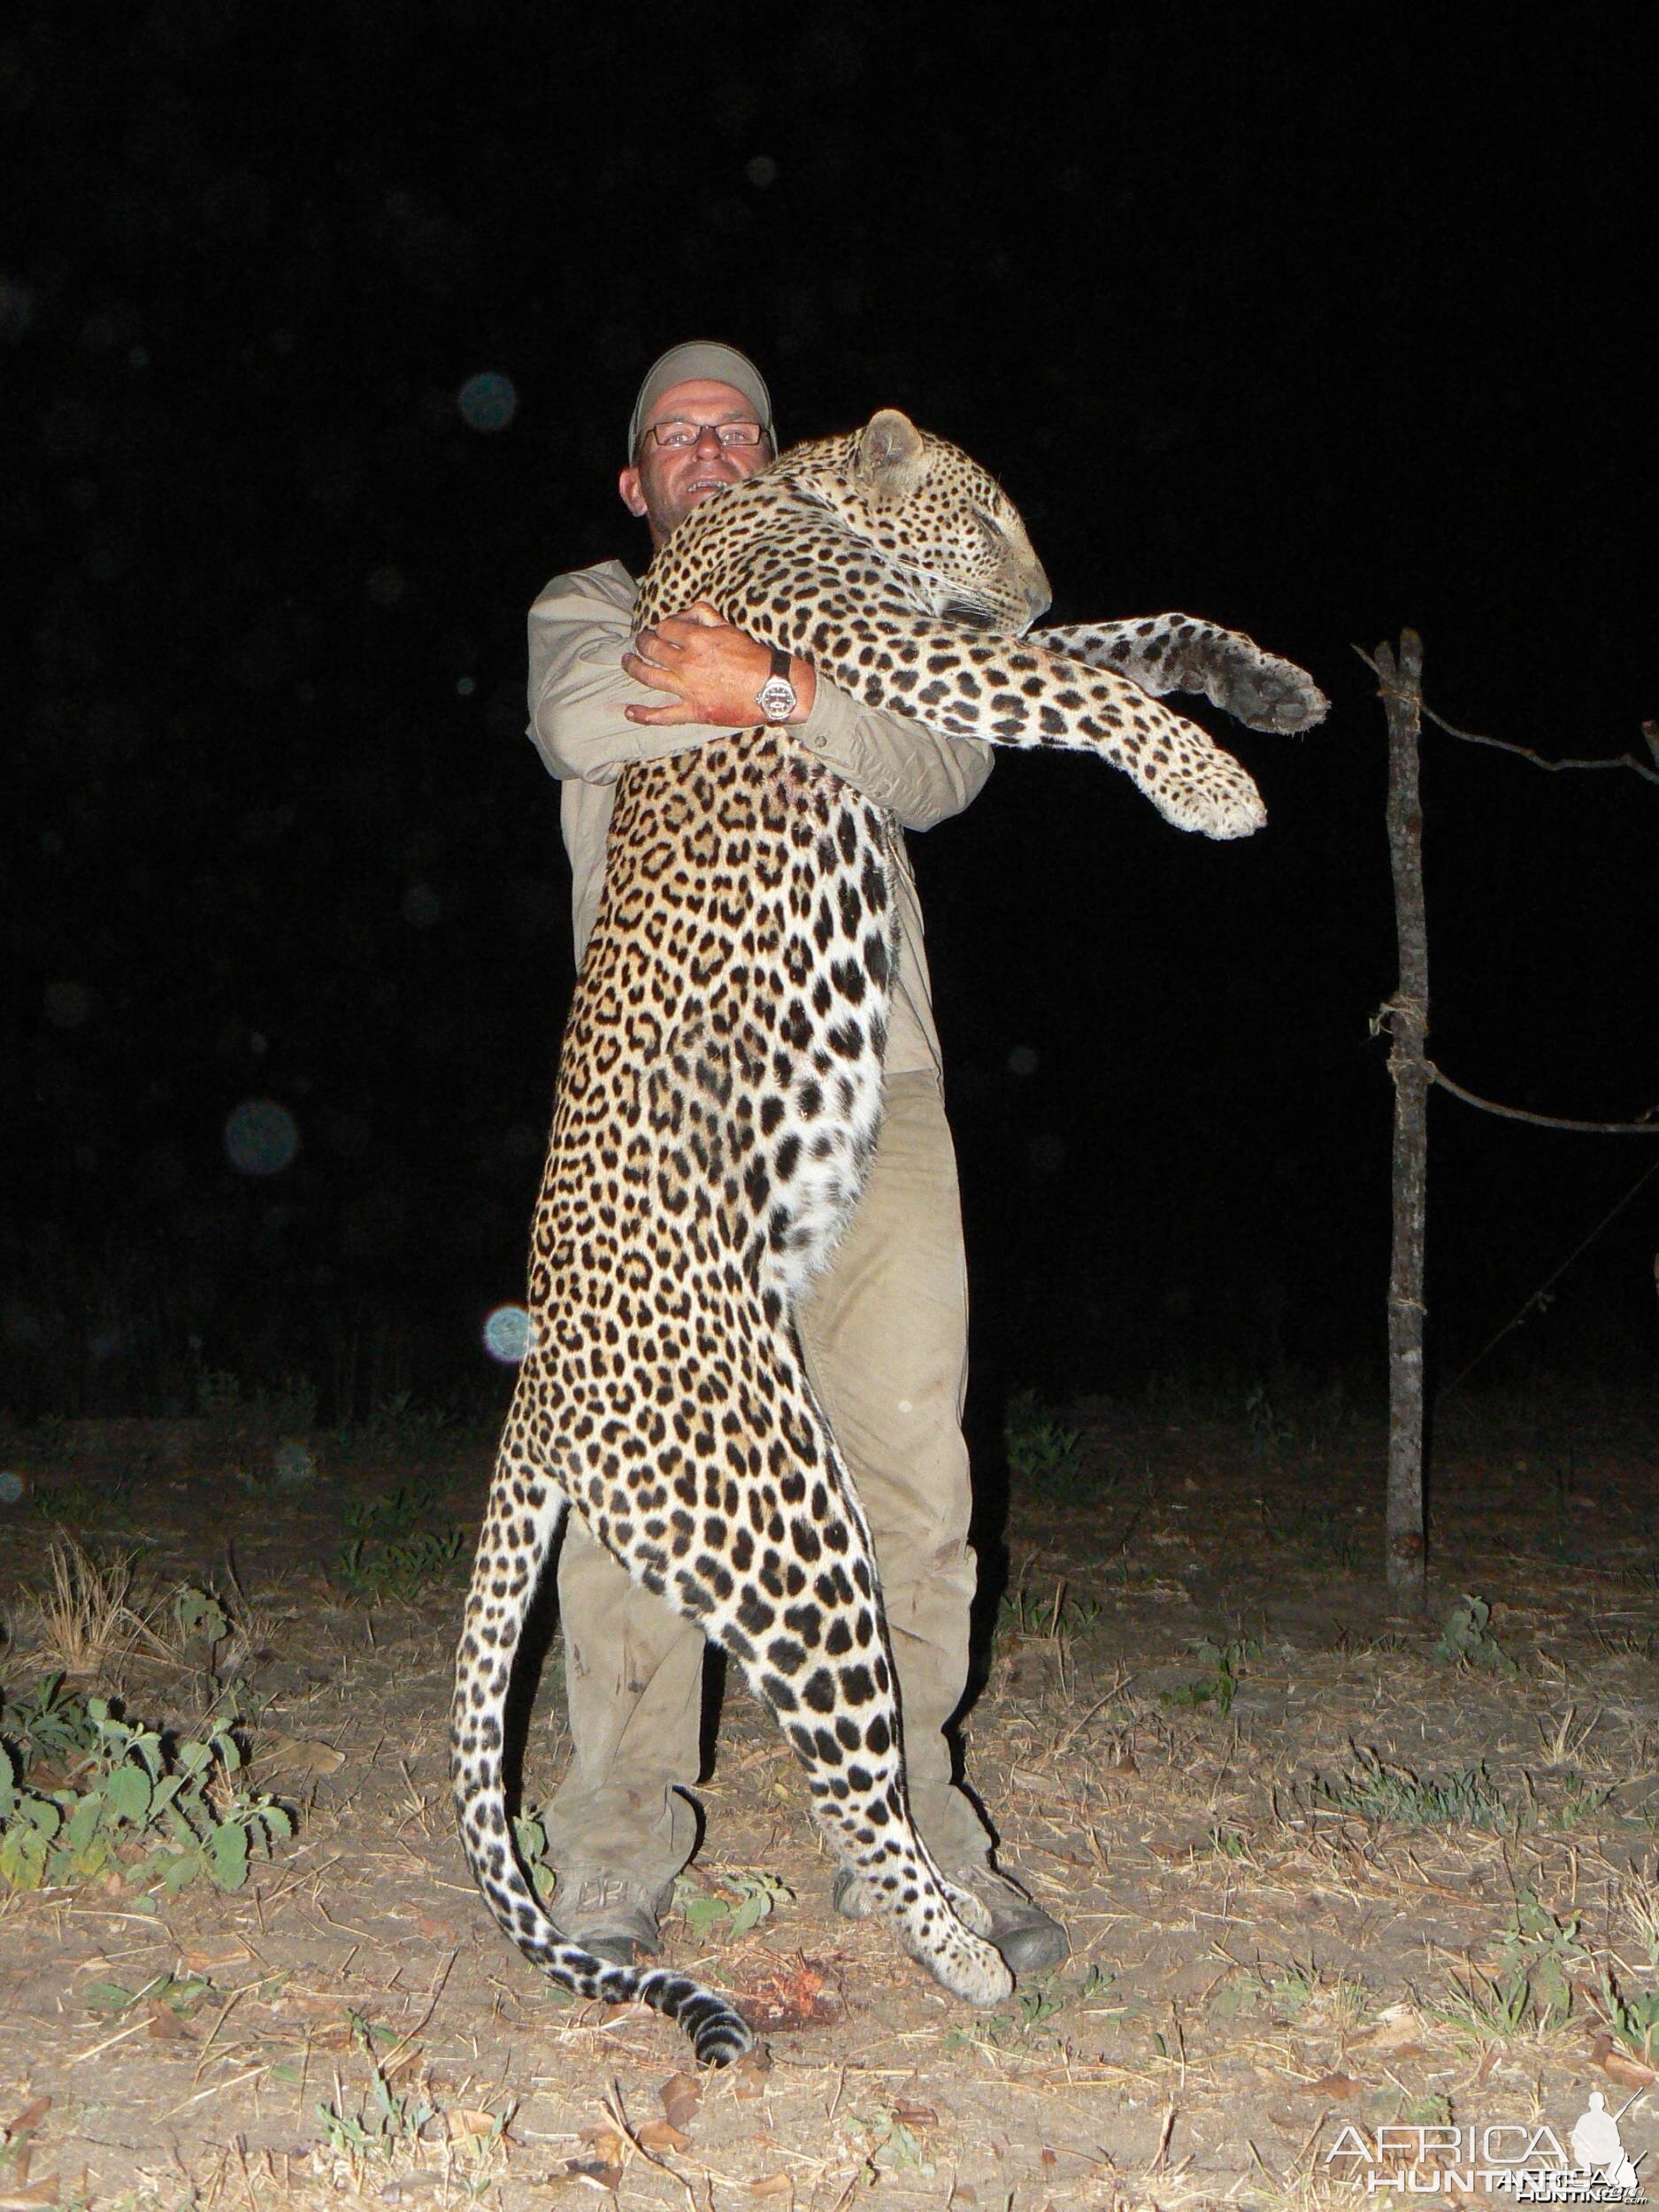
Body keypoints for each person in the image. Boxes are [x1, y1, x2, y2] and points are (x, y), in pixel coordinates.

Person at [524, 341, 1068, 1976]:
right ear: (636, 481)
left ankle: (912, 1832)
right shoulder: (584, 595)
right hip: (668, 1097)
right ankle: (618, 1839)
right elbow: (581, 720)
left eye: (737, 429)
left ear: (775, 459)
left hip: (870, 1072)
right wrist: (793, 696)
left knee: (911, 1466)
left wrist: (774, 691)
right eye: (675, 435)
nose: (708, 448)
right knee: (642, 1480)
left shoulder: (859, 600)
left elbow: (952, 763)